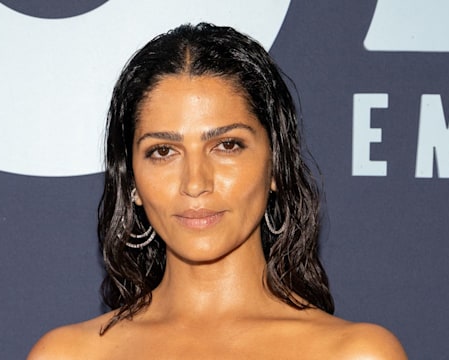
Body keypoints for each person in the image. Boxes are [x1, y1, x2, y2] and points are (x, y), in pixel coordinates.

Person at [28, 23, 407, 359]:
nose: (195, 183)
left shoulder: (356, 354)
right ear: (132, 183)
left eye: (227, 145)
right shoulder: (69, 354)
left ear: (275, 165)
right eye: (163, 151)